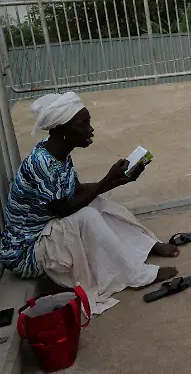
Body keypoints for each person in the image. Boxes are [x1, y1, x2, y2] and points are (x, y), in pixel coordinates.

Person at [0, 92, 179, 313]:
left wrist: (118, 180)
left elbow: (75, 190)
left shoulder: (57, 150)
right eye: (83, 124)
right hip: (26, 253)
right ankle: (137, 275)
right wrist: (106, 180)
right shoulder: (42, 163)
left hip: (46, 233)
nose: (90, 129)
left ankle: (146, 245)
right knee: (87, 215)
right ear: (63, 129)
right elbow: (64, 209)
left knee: (97, 204)